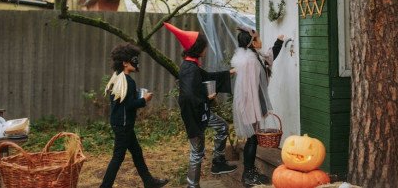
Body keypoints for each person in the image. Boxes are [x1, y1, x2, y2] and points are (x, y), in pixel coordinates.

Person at [163, 22, 237, 188]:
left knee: (222, 127)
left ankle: (218, 162)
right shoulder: (190, 69)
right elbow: (189, 96)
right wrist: (207, 97)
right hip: (195, 115)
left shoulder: (191, 66)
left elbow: (208, 76)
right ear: (198, 48)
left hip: (200, 112)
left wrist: (229, 73)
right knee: (197, 152)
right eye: (204, 46)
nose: (207, 49)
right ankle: (193, 184)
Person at [100, 43, 168, 188]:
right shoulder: (128, 81)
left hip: (120, 123)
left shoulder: (117, 78)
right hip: (123, 125)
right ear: (125, 62)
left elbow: (122, 102)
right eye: (133, 59)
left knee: (137, 152)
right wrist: (144, 100)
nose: (136, 62)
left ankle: (149, 182)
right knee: (118, 157)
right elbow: (129, 105)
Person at [230, 27, 284, 186]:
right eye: (257, 39)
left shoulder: (252, 56)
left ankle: (250, 171)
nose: (260, 41)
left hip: (249, 103)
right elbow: (250, 88)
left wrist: (279, 42)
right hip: (248, 103)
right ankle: (248, 175)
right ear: (251, 43)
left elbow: (268, 58)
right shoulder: (251, 61)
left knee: (251, 138)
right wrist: (254, 109)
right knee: (252, 139)